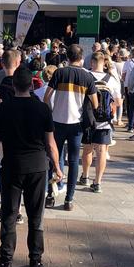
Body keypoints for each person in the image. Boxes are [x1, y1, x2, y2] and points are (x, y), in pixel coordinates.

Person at [0, 67, 62, 267]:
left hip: (12, 165)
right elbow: (51, 144)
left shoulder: (4, 108)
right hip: (38, 166)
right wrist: (57, 167)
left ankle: (5, 263)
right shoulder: (42, 109)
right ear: (31, 85)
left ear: (13, 86)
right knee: (36, 216)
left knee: (10, 214)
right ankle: (35, 262)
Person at [42, 44, 98, 211]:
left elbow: (46, 97)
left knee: (53, 158)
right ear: (81, 58)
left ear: (67, 57)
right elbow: (95, 104)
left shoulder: (59, 72)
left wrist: (52, 110)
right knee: (73, 161)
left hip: (57, 122)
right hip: (77, 124)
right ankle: (69, 199)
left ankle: (50, 194)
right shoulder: (87, 77)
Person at [80, 51, 122, 193]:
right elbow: (118, 101)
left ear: (92, 62)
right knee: (102, 151)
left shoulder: (86, 76)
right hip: (104, 121)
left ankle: (85, 176)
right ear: (104, 62)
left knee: (87, 149)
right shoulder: (111, 79)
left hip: (88, 119)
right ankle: (97, 182)